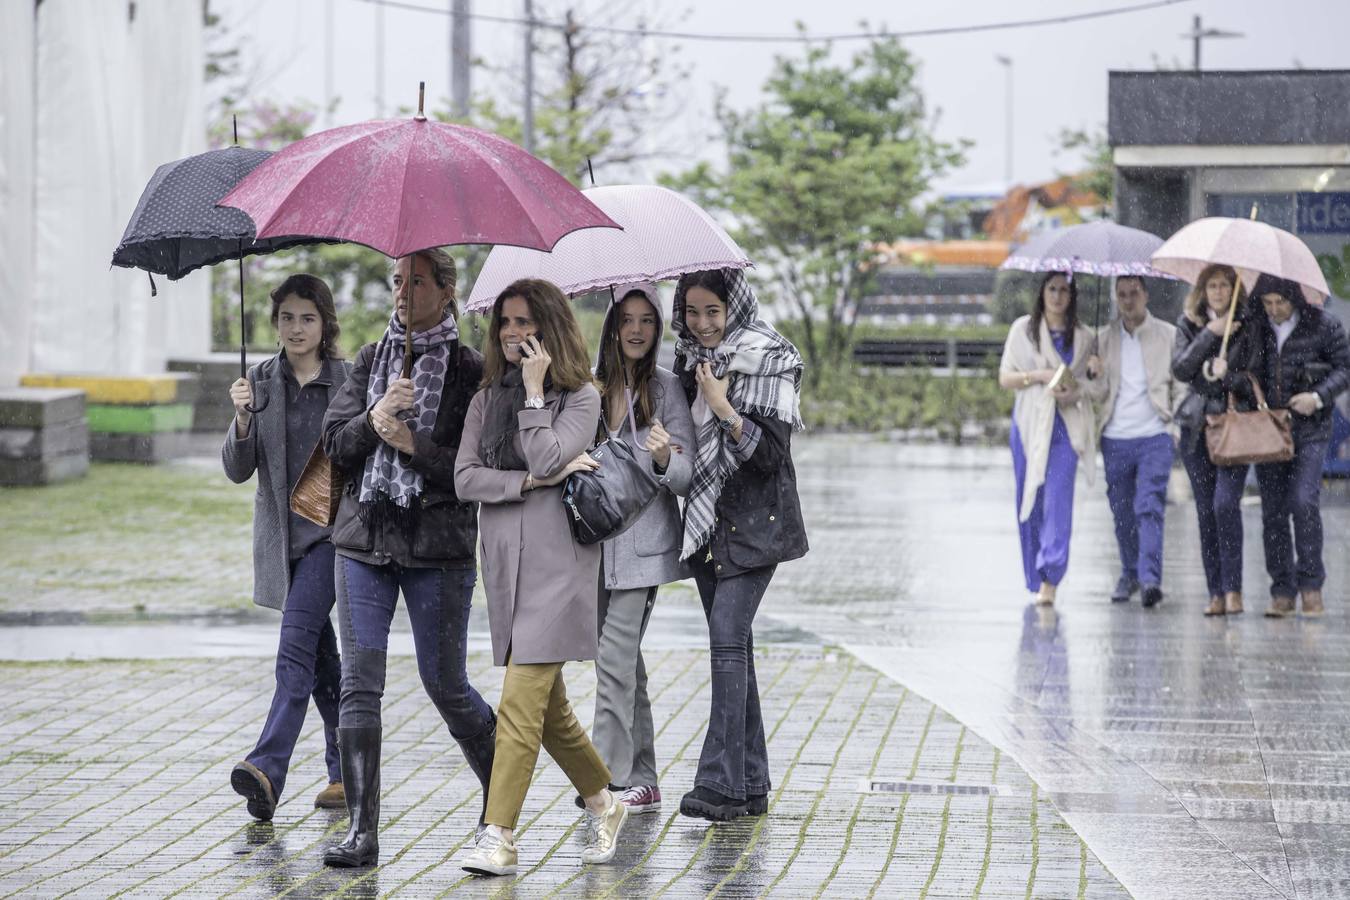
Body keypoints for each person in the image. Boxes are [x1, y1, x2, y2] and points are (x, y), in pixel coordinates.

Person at [320, 249, 496, 868]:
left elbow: (478, 469)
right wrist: (375, 419)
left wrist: (412, 443)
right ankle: (362, 834)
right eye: (397, 281)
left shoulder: (472, 372)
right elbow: (336, 445)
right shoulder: (370, 361)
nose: (402, 292)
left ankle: (499, 812)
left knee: (445, 684)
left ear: (445, 292)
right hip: (364, 542)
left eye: (416, 281)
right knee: (357, 685)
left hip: (439, 550)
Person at [454, 278, 629, 876]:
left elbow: (552, 456)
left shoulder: (582, 397)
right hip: (505, 567)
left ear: (550, 328)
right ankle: (605, 802)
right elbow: (466, 479)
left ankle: (498, 834)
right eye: (505, 322)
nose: (512, 333)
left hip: (561, 571)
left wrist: (534, 399)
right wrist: (526, 485)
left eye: (525, 322)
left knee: (519, 702)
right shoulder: (483, 402)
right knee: (546, 708)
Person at [670, 268, 807, 822]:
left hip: (758, 525)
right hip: (707, 527)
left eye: (713, 312)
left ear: (735, 309)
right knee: (736, 651)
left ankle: (719, 784)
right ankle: (750, 786)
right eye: (693, 312)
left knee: (727, 640)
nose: (703, 325)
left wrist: (724, 408)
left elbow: (772, 456)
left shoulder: (769, 358)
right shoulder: (684, 363)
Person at [222, 274, 348, 821]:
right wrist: (244, 417)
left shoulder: (347, 382)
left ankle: (268, 767)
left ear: (325, 324)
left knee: (294, 652)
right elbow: (236, 469)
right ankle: (348, 773)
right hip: (283, 545)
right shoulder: (260, 382)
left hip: (331, 538)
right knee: (323, 662)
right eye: (287, 318)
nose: (295, 328)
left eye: (307, 318)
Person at [589, 283, 697, 816]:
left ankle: (604, 781)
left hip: (644, 547)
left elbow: (685, 476)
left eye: (647, 321)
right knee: (622, 663)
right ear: (612, 326)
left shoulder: (667, 389)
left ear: (657, 330)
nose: (636, 330)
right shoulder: (588, 385)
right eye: (626, 320)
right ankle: (645, 778)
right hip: (591, 545)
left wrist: (660, 459)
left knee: (613, 659)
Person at [998, 272, 1106, 606]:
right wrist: (1038, 376)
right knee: (1029, 496)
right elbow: (1005, 378)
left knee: (1058, 500)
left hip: (1066, 428)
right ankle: (1033, 571)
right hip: (1031, 426)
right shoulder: (1023, 331)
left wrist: (1085, 379)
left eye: (1064, 290)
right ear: (1042, 293)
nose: (1057, 296)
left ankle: (1051, 576)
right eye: (1052, 289)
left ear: (1073, 297)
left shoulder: (1086, 337)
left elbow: (1097, 390)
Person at [1247, 274, 1350, 618]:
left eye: (1281, 303)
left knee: (1304, 501)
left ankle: (1311, 585)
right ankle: (1282, 589)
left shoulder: (1323, 325)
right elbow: (1243, 369)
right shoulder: (1256, 325)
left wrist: (1318, 397)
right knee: (1273, 510)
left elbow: (1344, 369)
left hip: (1311, 428)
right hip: (1268, 428)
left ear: (1295, 298)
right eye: (1268, 303)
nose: (1275, 310)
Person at [1092, 275, 1184, 608]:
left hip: (1155, 434)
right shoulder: (1102, 340)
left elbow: (1182, 383)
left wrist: (1174, 426)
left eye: (1134, 293)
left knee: (1149, 506)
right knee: (1122, 513)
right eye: (1122, 295)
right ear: (1116, 298)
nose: (1128, 300)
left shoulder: (1168, 335)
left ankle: (1149, 579)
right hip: (1115, 437)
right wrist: (1095, 374)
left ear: (1146, 295)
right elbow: (1094, 394)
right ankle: (1129, 573)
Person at [1171, 264, 1256, 616]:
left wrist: (1227, 377)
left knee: (1225, 504)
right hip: (1196, 429)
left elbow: (1254, 373)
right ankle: (1216, 592)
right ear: (1202, 291)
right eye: (1212, 286)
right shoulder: (1188, 324)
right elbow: (1180, 368)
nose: (1218, 292)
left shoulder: (1250, 326)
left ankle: (1234, 588)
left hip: (1234, 427)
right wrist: (1210, 333)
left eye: (1224, 286)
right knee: (1206, 511)